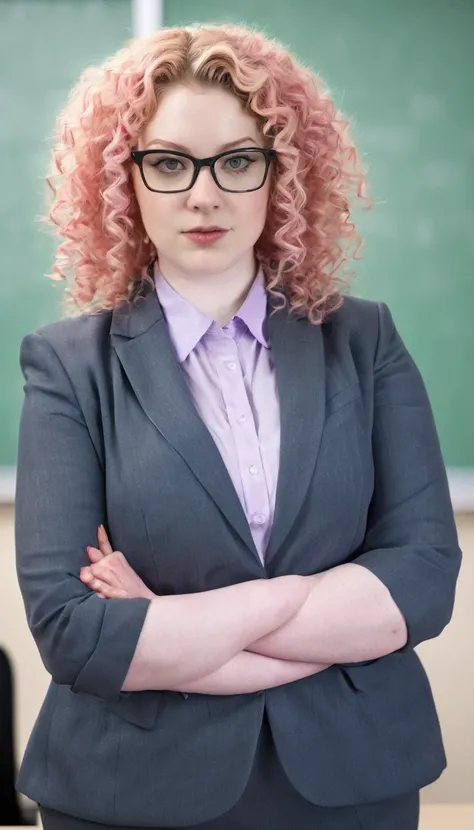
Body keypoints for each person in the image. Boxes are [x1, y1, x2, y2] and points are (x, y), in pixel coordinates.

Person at [14, 22, 462, 830]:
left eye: (238, 160)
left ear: (279, 178)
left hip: (352, 782)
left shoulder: (365, 342)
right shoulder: (67, 365)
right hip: (131, 794)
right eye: (169, 162)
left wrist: (171, 619)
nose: (204, 193)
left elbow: (423, 579)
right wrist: (318, 599)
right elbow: (75, 632)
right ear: (127, 181)